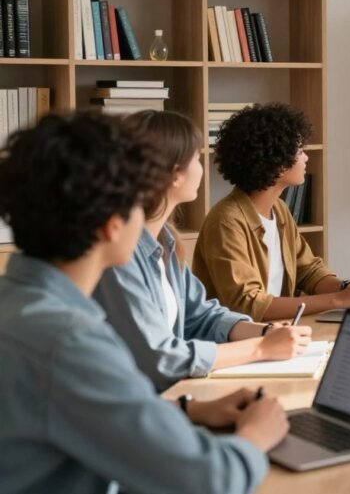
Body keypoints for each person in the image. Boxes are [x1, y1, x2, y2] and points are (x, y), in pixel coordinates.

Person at [0, 111, 287, 494]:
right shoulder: (69, 341)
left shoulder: (17, 304)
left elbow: (77, 412)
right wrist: (256, 434)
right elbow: (209, 481)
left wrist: (188, 410)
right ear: (111, 225)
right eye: (136, 199)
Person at [92, 110, 312, 392]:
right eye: (196, 158)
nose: (201, 167)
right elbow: (160, 358)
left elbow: (202, 315)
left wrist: (266, 332)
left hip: (170, 399)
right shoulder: (121, 256)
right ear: (175, 175)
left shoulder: (165, 241)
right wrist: (259, 348)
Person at [193, 102, 350, 321]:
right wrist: (339, 300)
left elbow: (309, 271)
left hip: (277, 332)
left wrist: (348, 289)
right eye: (300, 151)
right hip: (241, 342)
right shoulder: (226, 221)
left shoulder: (279, 210)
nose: (306, 158)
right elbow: (248, 305)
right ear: (277, 162)